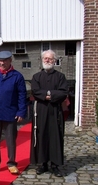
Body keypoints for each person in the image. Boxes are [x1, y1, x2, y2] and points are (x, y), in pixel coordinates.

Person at [30, 49, 68, 177]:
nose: (47, 60)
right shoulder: (36, 77)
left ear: (54, 60)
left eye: (50, 59)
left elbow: (63, 93)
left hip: (55, 111)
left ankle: (55, 165)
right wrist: (50, 94)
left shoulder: (60, 77)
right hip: (40, 111)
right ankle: (43, 164)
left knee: (55, 137)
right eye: (45, 58)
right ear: (42, 60)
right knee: (41, 136)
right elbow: (35, 92)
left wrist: (48, 95)